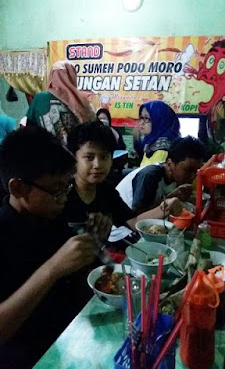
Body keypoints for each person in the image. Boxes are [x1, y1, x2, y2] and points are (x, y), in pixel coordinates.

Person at [0, 126, 110, 368]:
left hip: (70, 337)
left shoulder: (50, 215)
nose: (64, 198)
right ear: (18, 188)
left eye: (67, 187)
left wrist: (94, 243)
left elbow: (76, 281)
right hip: (28, 354)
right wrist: (52, 269)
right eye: (57, 190)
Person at [65, 121, 182, 243]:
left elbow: (131, 222)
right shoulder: (62, 195)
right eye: (89, 157)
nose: (97, 165)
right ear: (74, 158)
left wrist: (166, 207)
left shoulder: (107, 191)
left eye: (104, 157)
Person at [109, 136, 205, 241]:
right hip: (121, 231)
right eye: (188, 170)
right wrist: (170, 198)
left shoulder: (175, 178)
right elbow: (138, 218)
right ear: (169, 164)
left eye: (196, 171)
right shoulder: (150, 176)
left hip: (139, 224)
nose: (193, 176)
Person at [26, 60, 96, 146]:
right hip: (78, 154)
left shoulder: (41, 98)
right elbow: (94, 127)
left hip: (47, 152)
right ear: (73, 76)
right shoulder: (83, 101)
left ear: (51, 76)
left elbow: (28, 125)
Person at [134, 100, 181, 166]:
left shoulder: (162, 151)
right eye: (141, 117)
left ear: (159, 121)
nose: (141, 122)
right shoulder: (151, 142)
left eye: (146, 118)